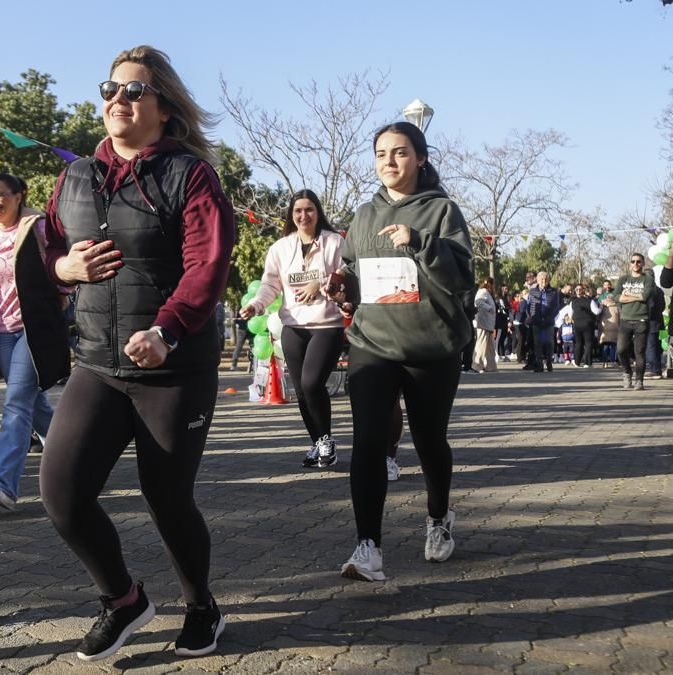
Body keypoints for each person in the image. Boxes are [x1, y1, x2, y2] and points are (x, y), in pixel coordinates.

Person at [40, 45, 235, 660]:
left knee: (167, 496)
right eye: (110, 88)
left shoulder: (189, 174)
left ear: (164, 106)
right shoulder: (74, 178)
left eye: (133, 90)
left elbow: (208, 266)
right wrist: (62, 266)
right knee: (62, 493)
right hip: (98, 363)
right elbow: (40, 254)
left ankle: (201, 605)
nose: (117, 100)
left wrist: (167, 330)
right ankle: (124, 599)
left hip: (172, 368)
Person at [325, 120, 474, 583]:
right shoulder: (364, 215)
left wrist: (420, 241)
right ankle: (368, 547)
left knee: (430, 442)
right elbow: (353, 273)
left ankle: (438, 517)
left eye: (400, 153)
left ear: (421, 158)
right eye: (381, 154)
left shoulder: (442, 212)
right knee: (368, 443)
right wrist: (337, 287)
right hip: (372, 342)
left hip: (430, 346)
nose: (389, 162)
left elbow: (460, 279)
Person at [0, 173, 65, 510]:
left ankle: (3, 482)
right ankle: (74, 455)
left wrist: (65, 292)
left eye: (0, 195)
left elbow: (56, 263)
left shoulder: (36, 227)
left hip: (31, 328)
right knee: (34, 403)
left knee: (17, 401)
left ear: (19, 195)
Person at [241, 189, 346, 468]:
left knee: (313, 384)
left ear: (318, 212)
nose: (303, 215)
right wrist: (256, 305)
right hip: (293, 328)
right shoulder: (280, 248)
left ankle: (326, 443)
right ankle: (318, 444)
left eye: (309, 209)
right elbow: (270, 285)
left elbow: (347, 272)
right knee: (300, 390)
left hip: (326, 326)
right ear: (291, 215)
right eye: (298, 210)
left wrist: (322, 282)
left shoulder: (334, 242)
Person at [613, 253, 654, 390]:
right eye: (633, 261)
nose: (635, 264)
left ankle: (639, 380)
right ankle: (626, 372)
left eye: (638, 262)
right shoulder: (623, 279)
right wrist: (635, 296)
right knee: (621, 350)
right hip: (625, 319)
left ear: (643, 264)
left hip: (641, 320)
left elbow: (645, 296)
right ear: (630, 263)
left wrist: (628, 295)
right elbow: (617, 297)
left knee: (639, 352)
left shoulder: (647, 280)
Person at [525, 272, 560, 373]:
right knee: (538, 343)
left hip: (548, 321)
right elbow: (529, 305)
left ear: (548, 280)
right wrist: (530, 316)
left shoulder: (554, 292)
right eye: (541, 279)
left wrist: (550, 316)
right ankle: (539, 363)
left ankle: (549, 361)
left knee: (549, 342)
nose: (543, 281)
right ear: (538, 280)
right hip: (536, 320)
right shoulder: (532, 291)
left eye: (545, 279)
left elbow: (556, 307)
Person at [568, 283, 600, 368]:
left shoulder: (572, 302)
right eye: (577, 289)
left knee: (578, 343)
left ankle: (577, 361)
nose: (578, 291)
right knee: (588, 343)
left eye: (579, 289)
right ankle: (588, 363)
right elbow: (596, 312)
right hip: (588, 324)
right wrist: (602, 307)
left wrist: (576, 319)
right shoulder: (590, 301)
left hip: (577, 324)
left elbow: (570, 314)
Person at [471, 277, 497, 373]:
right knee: (481, 344)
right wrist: (489, 308)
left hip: (488, 323)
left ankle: (491, 366)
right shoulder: (483, 292)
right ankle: (476, 365)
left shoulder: (487, 293)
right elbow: (478, 302)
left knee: (490, 347)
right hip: (483, 322)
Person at [599, 294, 621, 367]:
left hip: (604, 328)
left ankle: (605, 362)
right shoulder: (617, 307)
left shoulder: (602, 307)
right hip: (615, 328)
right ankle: (612, 361)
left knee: (605, 346)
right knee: (613, 346)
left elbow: (598, 316)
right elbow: (620, 317)